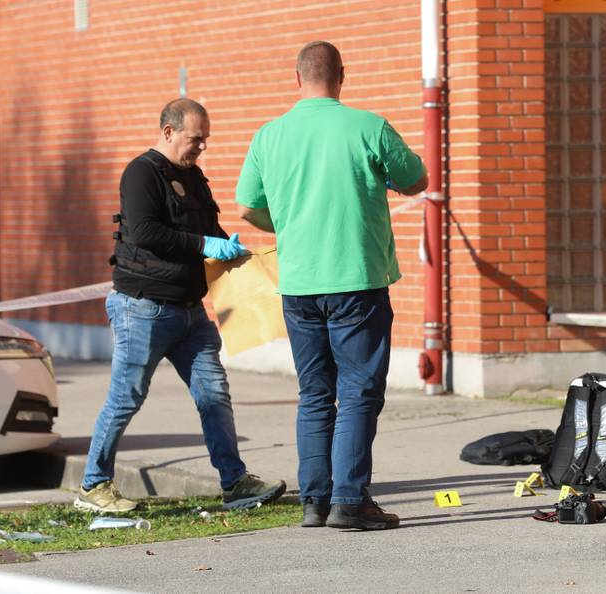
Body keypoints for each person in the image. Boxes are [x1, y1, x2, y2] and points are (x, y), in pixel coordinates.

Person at [236, 41, 428, 530]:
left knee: (315, 394)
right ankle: (350, 500)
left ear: (296, 78)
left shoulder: (268, 135)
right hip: (357, 280)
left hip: (299, 284)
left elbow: (247, 207)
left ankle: (314, 502)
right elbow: (416, 180)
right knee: (359, 391)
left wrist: (291, 225)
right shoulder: (369, 126)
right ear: (342, 74)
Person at [75, 98, 286, 513]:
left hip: (191, 311)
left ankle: (235, 483)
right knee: (126, 397)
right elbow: (145, 232)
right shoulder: (141, 173)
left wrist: (228, 245)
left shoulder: (194, 177)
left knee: (214, 394)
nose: (202, 147)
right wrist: (204, 244)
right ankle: (93, 487)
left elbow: (207, 229)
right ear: (169, 132)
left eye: (206, 139)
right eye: (195, 139)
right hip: (143, 308)